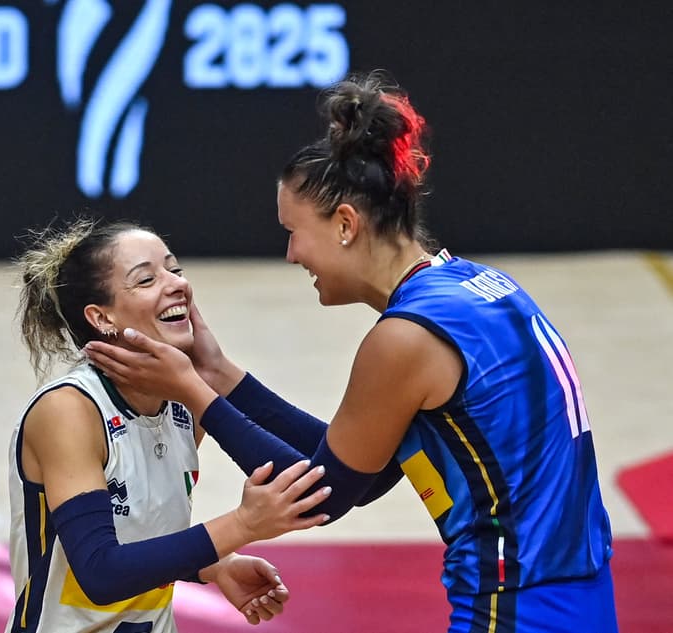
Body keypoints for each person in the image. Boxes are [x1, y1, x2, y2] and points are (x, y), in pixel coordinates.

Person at [83, 71, 618, 632]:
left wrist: (193, 392)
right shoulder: (476, 286)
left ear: (345, 225)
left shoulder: (405, 338)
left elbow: (325, 495)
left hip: (515, 604)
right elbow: (367, 471)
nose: (291, 254)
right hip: (582, 593)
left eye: (294, 231)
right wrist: (218, 373)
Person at [6, 217, 330, 633]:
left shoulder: (185, 402)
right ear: (101, 317)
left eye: (174, 270)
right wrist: (242, 525)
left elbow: (324, 476)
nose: (176, 284)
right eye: (146, 280)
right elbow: (101, 573)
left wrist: (212, 566)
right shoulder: (69, 409)